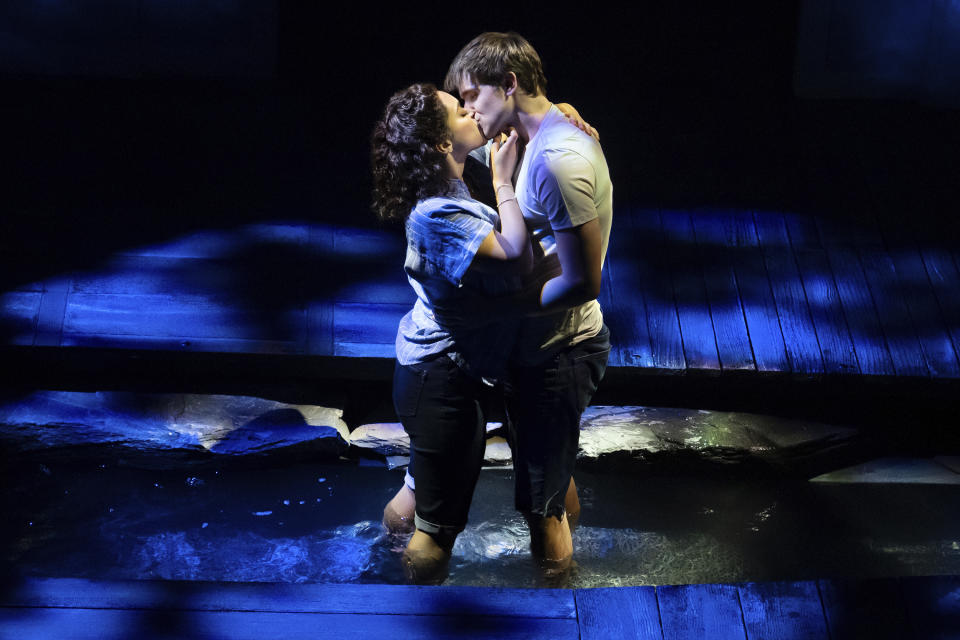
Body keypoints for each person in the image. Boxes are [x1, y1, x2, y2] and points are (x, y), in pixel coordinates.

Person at [446, 32, 613, 573]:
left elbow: (585, 281)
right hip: (537, 346)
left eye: (472, 95)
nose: (468, 109)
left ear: (510, 83)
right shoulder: (525, 137)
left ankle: (559, 607)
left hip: (561, 350)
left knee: (541, 507)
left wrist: (502, 307)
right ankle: (566, 573)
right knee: (551, 485)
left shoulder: (557, 161)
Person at [371, 82, 531, 584]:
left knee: (420, 490)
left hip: (432, 372)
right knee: (439, 527)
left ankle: (381, 559)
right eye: (458, 110)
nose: (470, 111)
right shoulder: (436, 214)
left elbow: (516, 127)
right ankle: (414, 611)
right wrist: (504, 183)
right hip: (441, 379)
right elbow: (513, 256)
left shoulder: (449, 183)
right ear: (443, 144)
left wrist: (562, 114)